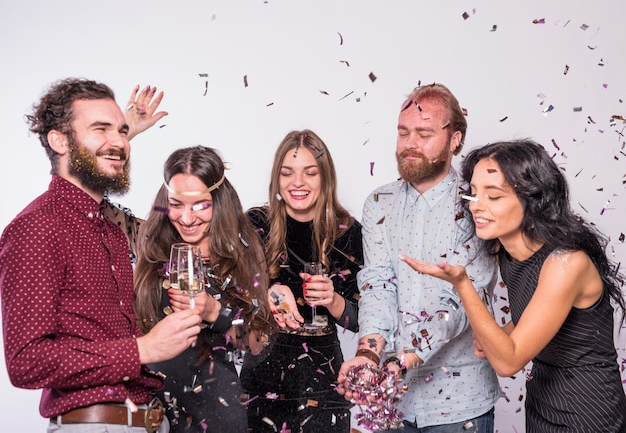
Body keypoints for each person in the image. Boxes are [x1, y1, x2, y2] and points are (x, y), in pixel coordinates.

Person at [0, 77, 202, 432]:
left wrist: (113, 139)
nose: (120, 142)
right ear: (58, 140)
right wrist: (143, 349)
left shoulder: (108, 228)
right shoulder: (37, 228)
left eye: (123, 131)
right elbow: (26, 363)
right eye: (101, 128)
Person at [402, 139, 626, 432]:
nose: (476, 206)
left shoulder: (566, 263)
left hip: (588, 411)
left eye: (493, 197)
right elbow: (536, 318)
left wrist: (462, 284)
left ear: (532, 201)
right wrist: (498, 335)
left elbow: (508, 363)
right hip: (543, 403)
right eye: (473, 193)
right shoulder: (509, 252)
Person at [337, 83, 500, 432]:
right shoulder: (378, 203)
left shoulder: (477, 206)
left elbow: (460, 300)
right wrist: (368, 353)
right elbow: (378, 285)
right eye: (403, 132)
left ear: (455, 139)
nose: (410, 143)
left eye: (424, 133)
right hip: (396, 403)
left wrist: (402, 358)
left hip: (460, 405)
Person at [133, 145, 276, 432]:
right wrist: (125, 134)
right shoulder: (150, 247)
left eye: (200, 205)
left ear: (219, 201)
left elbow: (259, 343)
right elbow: (92, 202)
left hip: (217, 417)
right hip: (153, 418)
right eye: (176, 204)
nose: (186, 219)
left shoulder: (242, 256)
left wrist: (215, 312)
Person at [240, 129, 363, 433]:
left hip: (322, 380)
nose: (298, 182)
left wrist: (333, 300)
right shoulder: (256, 223)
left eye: (310, 172)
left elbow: (363, 318)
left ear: (325, 178)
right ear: (276, 179)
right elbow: (228, 290)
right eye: (287, 173)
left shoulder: (347, 231)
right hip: (262, 377)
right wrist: (263, 292)